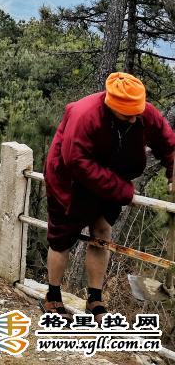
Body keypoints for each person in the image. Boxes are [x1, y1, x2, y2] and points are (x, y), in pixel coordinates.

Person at [43, 72, 175, 323]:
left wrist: (172, 170)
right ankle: (53, 296)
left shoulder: (142, 112)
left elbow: (168, 143)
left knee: (102, 232)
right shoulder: (85, 115)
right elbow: (76, 162)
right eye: (128, 115)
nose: (135, 118)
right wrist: (122, 190)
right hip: (70, 182)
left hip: (110, 180)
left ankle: (95, 299)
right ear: (112, 106)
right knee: (61, 238)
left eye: (138, 112)